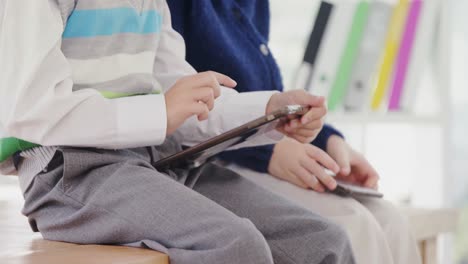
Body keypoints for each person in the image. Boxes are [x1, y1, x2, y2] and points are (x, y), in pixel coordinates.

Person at [0, 0, 356, 264]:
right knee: (235, 246)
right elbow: (32, 111)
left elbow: (177, 93)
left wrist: (269, 109)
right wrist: (160, 111)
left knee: (323, 241)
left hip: (155, 159)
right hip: (69, 172)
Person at [167, 1, 422, 264]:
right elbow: (181, 109)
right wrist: (269, 152)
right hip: (209, 159)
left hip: (259, 145)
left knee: (391, 221)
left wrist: (327, 141)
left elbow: (263, 91)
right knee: (354, 224)